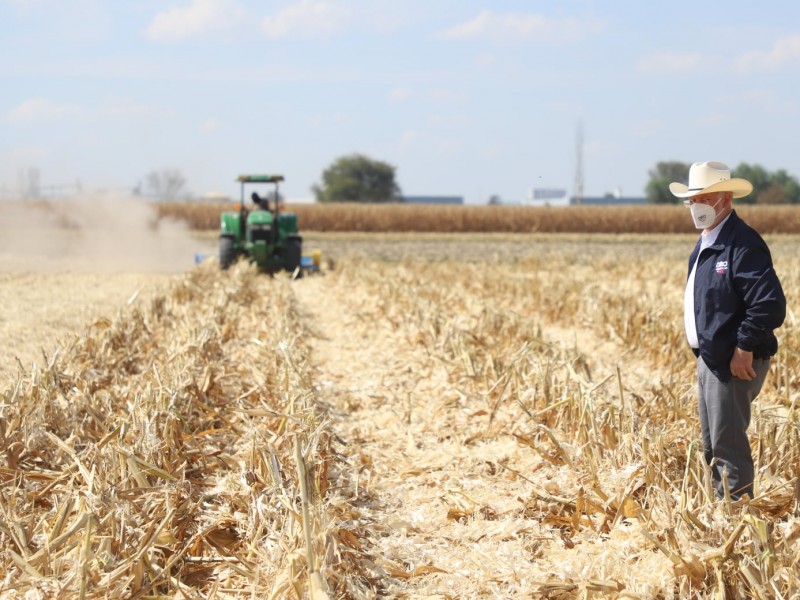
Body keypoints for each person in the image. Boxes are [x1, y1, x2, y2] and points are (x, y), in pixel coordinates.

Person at [670, 161, 786, 501]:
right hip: (712, 358)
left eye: (703, 198)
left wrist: (744, 346)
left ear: (724, 197)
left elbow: (769, 303)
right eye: (692, 200)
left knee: (728, 444)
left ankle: (738, 518)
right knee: (714, 444)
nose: (696, 206)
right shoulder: (707, 242)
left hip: (735, 361)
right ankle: (721, 512)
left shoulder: (742, 243)